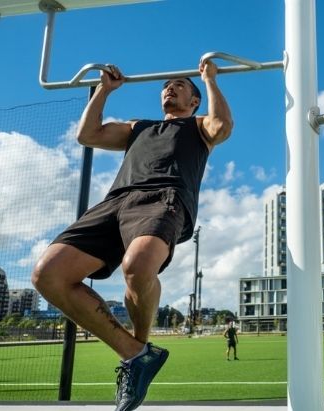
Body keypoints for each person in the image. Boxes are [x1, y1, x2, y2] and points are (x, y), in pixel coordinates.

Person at [31, 57, 233, 411]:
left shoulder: (199, 126)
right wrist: (104, 91)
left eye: (179, 85)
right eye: (165, 86)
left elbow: (222, 126)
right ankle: (135, 354)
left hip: (164, 199)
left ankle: (140, 347)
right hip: (115, 204)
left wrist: (210, 79)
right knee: (47, 274)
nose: (169, 88)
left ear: (195, 100)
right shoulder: (138, 127)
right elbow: (87, 135)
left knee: (137, 265)